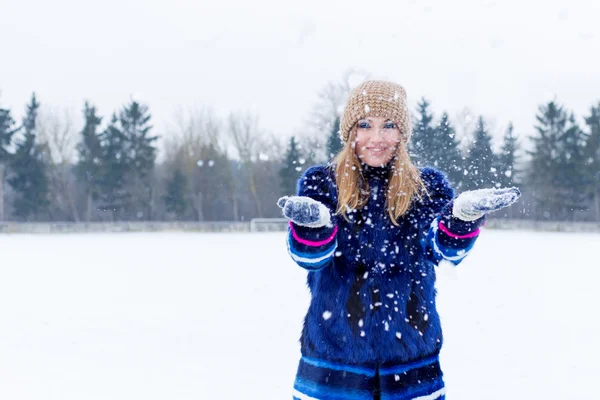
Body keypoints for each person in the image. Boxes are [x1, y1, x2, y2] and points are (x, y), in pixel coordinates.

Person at [277, 80, 521, 400]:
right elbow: (310, 258)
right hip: (332, 364)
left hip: (411, 366)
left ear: (402, 134)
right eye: (365, 125)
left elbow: (442, 248)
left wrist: (460, 219)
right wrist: (315, 229)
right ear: (350, 131)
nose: (377, 138)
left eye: (388, 126)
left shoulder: (426, 186)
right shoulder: (322, 183)